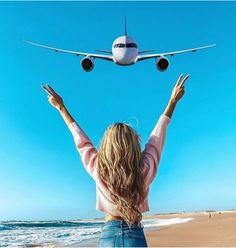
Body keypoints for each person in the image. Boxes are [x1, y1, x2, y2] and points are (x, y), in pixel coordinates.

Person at [42, 73, 189, 247]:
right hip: (135, 234)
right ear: (134, 145)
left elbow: (80, 139)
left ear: (107, 146)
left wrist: (61, 107)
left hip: (109, 236)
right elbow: (157, 138)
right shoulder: (145, 170)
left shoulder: (98, 168)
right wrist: (172, 102)